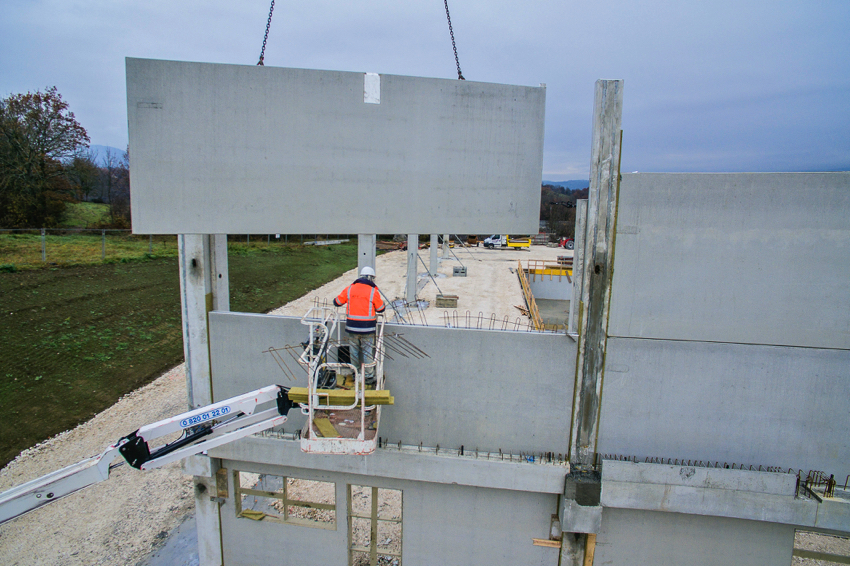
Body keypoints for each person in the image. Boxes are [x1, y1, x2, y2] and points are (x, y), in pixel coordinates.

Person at [334, 266, 385, 385]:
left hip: (352, 327)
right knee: (367, 352)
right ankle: (368, 377)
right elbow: (381, 308)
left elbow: (337, 302)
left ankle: (355, 373)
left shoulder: (350, 289)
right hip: (368, 328)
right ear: (371, 278)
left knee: (354, 351)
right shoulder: (373, 291)